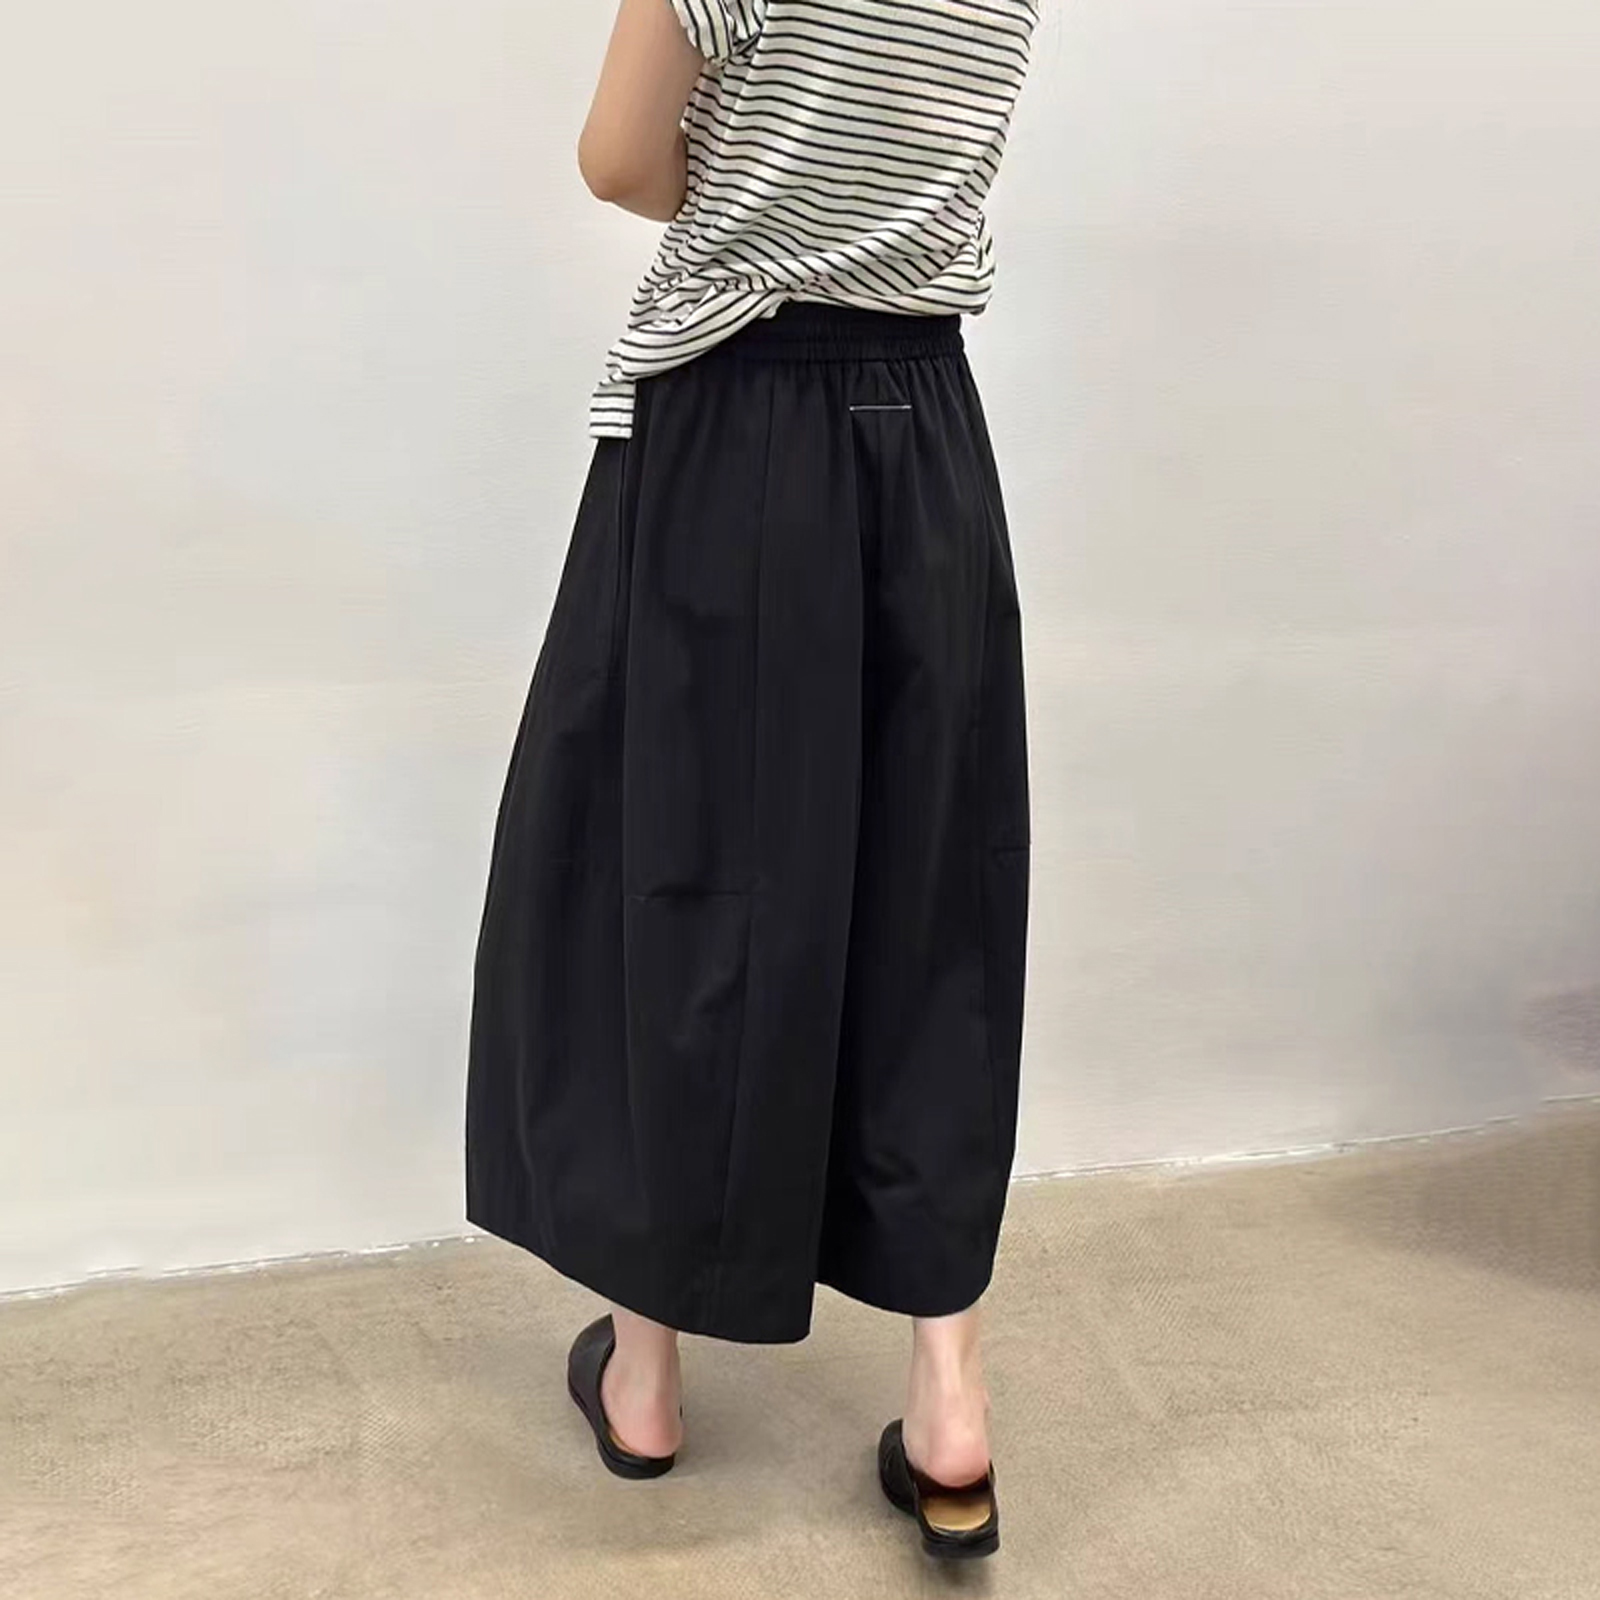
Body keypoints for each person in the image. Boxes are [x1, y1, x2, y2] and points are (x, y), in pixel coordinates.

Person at [466, 0, 1035, 1561]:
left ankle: (646, 1373)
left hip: (734, 422)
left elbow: (617, 160)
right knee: (933, 900)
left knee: (678, 871)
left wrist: (739, 196)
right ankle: (951, 1404)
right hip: (928, 433)